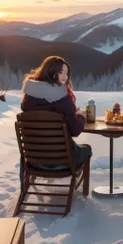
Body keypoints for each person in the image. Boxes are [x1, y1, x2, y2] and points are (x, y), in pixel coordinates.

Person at [19, 56, 92, 187]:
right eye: (61, 72)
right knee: (87, 149)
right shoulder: (63, 99)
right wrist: (80, 116)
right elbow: (75, 131)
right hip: (62, 161)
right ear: (51, 72)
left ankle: (25, 186)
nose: (65, 76)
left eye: (66, 72)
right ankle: (76, 186)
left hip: (33, 160)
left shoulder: (28, 98)